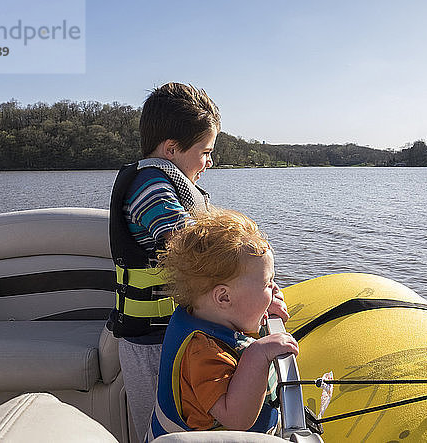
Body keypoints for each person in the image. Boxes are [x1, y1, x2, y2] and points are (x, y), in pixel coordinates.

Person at [106, 83, 288, 442]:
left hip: (175, 330)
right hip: (149, 342)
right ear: (171, 148)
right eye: (205, 151)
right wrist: (252, 284)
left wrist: (256, 291)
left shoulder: (167, 183)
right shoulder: (150, 188)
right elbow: (195, 250)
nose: (209, 161)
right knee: (162, 431)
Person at [145, 208, 298, 441]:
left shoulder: (203, 312)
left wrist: (259, 306)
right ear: (224, 298)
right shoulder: (202, 352)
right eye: (268, 283)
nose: (276, 290)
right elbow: (237, 419)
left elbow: (238, 315)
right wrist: (257, 353)